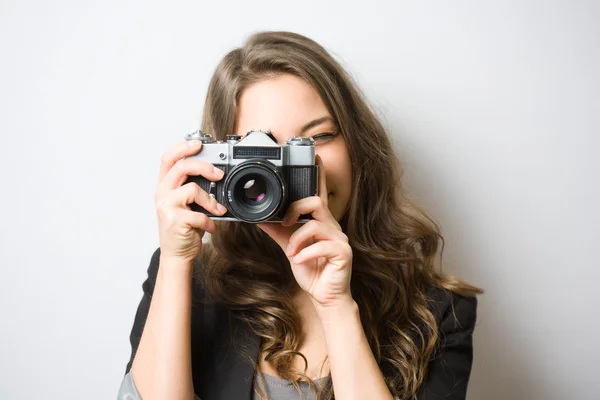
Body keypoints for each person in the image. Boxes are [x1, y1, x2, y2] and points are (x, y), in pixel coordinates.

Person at [117, 31, 483, 400]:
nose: (305, 170)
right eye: (264, 151)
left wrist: (336, 307)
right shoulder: (190, 280)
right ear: (222, 168)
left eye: (317, 138)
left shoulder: (438, 314)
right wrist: (176, 260)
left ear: (358, 144)